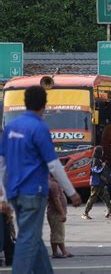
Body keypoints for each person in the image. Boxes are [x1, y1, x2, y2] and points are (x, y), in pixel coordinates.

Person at [0, 85, 81, 273]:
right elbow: (53, 164)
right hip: (33, 192)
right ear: (44, 105)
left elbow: (2, 163)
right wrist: (71, 192)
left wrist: (3, 197)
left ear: (25, 103)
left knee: (33, 237)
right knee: (27, 239)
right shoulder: (39, 127)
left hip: (14, 192)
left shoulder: (11, 127)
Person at [82, 146, 111, 219]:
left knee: (106, 196)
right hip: (95, 182)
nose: (102, 152)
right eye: (101, 151)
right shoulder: (95, 160)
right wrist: (102, 166)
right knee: (93, 197)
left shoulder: (98, 160)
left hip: (100, 182)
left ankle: (110, 212)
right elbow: (95, 170)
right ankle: (85, 213)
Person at [47, 175, 73, 258]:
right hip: (56, 213)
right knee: (59, 233)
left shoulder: (53, 183)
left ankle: (55, 252)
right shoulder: (54, 184)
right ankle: (64, 251)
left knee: (55, 233)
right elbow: (56, 200)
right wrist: (62, 213)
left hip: (53, 212)